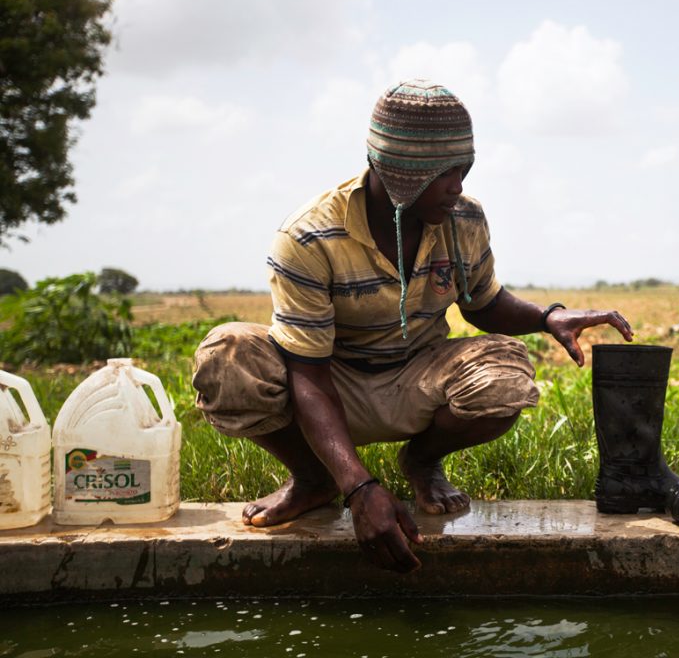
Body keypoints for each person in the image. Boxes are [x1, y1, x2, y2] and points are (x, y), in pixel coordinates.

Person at [191, 80, 633, 573]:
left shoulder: (462, 219)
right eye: (445, 173)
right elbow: (309, 373)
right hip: (329, 384)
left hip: (417, 375)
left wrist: (548, 316)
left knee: (507, 379)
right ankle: (315, 479)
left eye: (464, 170)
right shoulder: (309, 236)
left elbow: (483, 304)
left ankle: (421, 462)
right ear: (402, 171)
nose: (458, 186)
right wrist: (358, 488)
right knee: (227, 355)